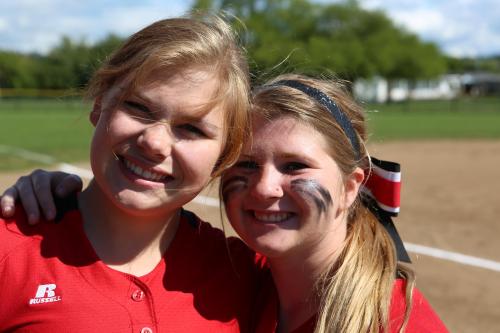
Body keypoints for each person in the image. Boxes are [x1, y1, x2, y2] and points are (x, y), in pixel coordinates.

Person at [1, 73, 449, 332]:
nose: (264, 188)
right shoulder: (241, 279)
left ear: (352, 186)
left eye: (295, 166)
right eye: (247, 165)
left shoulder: (391, 317)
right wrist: (61, 194)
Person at [0, 13, 263, 332]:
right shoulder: (10, 251)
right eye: (138, 107)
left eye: (191, 128)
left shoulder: (248, 275)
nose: (154, 142)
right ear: (98, 105)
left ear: (226, 154)